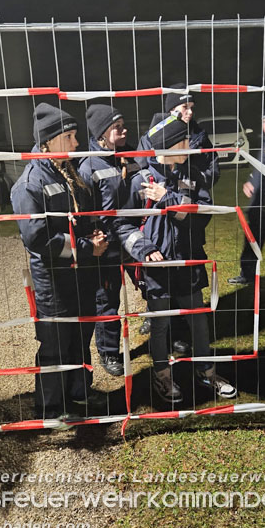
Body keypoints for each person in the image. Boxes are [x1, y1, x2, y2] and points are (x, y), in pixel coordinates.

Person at [124, 113, 236, 405]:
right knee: (159, 325)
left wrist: (169, 199)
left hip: (188, 261)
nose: (191, 146)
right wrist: (144, 249)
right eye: (184, 142)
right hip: (156, 268)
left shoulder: (192, 174)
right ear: (169, 146)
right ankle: (162, 375)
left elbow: (202, 214)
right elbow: (122, 225)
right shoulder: (139, 180)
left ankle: (207, 372)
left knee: (198, 321)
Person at [10, 103, 109, 425]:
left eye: (75, 135)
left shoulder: (68, 171)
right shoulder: (30, 183)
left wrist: (92, 233)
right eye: (69, 136)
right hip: (54, 280)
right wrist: (86, 248)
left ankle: (79, 391)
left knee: (80, 335)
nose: (77, 142)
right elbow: (37, 238)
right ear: (47, 142)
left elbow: (78, 217)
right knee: (56, 343)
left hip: (81, 275)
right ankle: (50, 407)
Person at [79, 104, 162, 376]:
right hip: (108, 245)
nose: (124, 130)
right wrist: (92, 236)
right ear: (102, 134)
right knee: (107, 300)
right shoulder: (89, 167)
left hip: (135, 237)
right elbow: (83, 210)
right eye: (117, 127)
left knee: (151, 283)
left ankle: (157, 325)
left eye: (124, 125)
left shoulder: (131, 156)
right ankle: (109, 352)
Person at [228, 103, 265, 285]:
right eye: (264, 122)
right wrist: (251, 182)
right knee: (252, 239)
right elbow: (260, 168)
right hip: (258, 204)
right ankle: (247, 273)